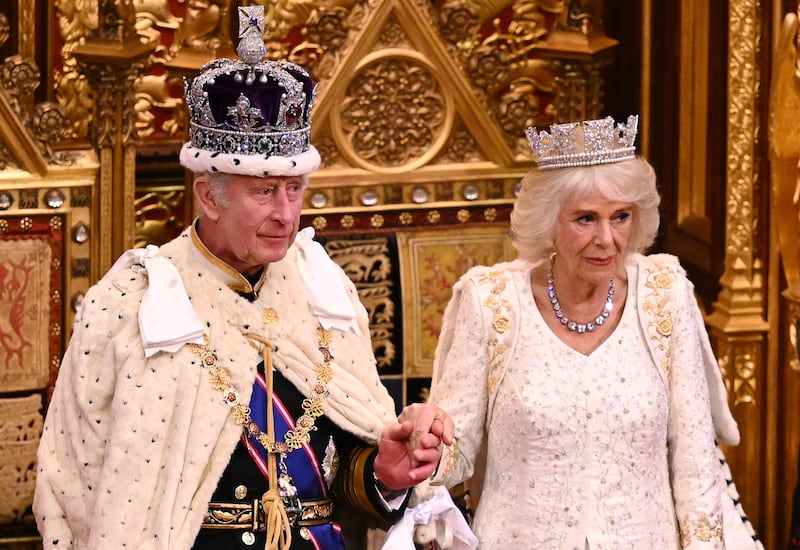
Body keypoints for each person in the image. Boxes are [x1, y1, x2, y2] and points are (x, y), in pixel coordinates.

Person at [32, 6, 457, 550]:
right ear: (208, 195)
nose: (286, 213)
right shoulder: (127, 305)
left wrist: (384, 472)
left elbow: (341, 467)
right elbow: (76, 484)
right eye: (264, 191)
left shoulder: (325, 291)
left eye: (295, 189)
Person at [413, 115, 762, 548]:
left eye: (620, 217)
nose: (607, 239)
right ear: (549, 222)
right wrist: (423, 442)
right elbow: (455, 454)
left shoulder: (664, 295)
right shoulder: (490, 302)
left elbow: (696, 465)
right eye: (585, 219)